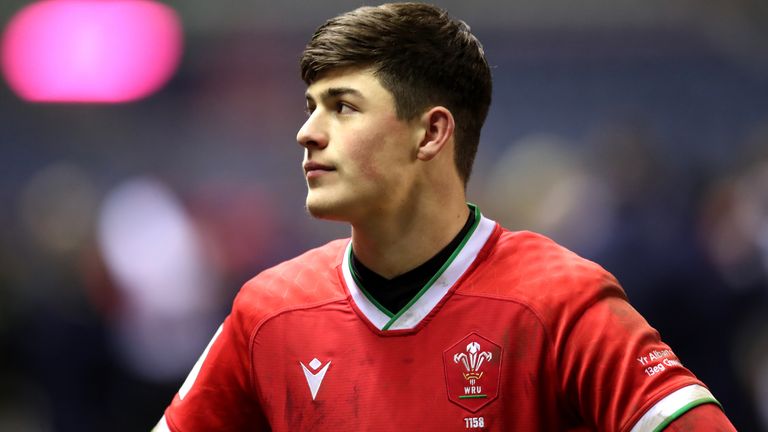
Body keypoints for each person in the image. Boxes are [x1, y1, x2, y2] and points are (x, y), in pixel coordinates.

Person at [154, 3, 736, 431]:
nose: (307, 132)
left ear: (431, 132)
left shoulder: (558, 301)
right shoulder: (269, 310)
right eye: (311, 108)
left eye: (343, 107)